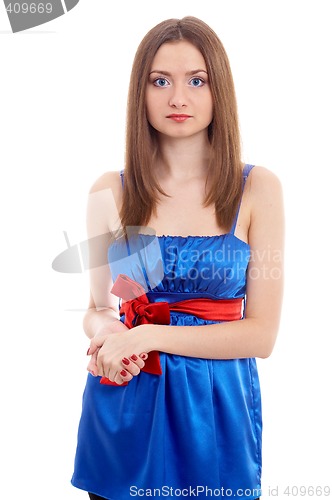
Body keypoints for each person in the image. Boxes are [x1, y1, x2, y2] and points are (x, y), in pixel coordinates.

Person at [71, 16, 284, 500]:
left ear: (218, 90)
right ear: (139, 92)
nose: (178, 98)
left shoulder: (257, 188)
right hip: (126, 405)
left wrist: (146, 333)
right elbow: (95, 308)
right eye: (160, 81)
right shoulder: (109, 191)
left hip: (214, 413)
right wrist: (108, 333)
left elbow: (262, 335)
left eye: (197, 80)